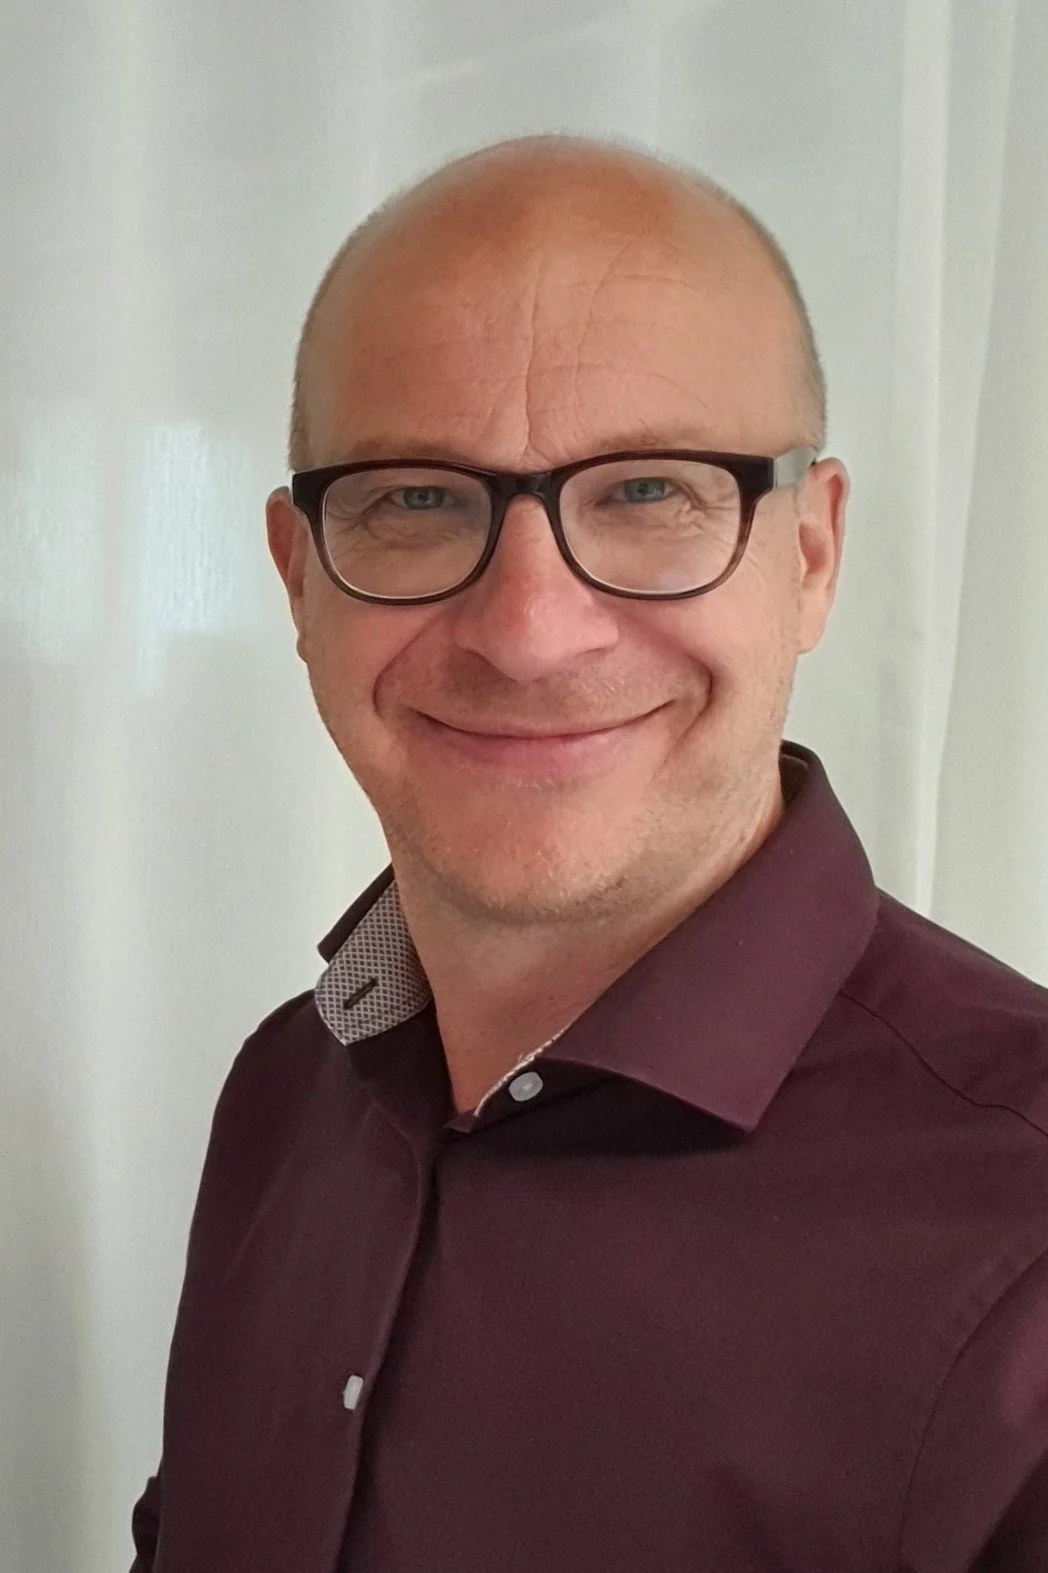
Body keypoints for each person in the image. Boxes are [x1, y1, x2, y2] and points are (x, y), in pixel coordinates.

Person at [129, 136, 1048, 1573]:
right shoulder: (283, 1091)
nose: (529, 632)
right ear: (299, 577)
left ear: (809, 557)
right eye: (416, 498)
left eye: (649, 493)